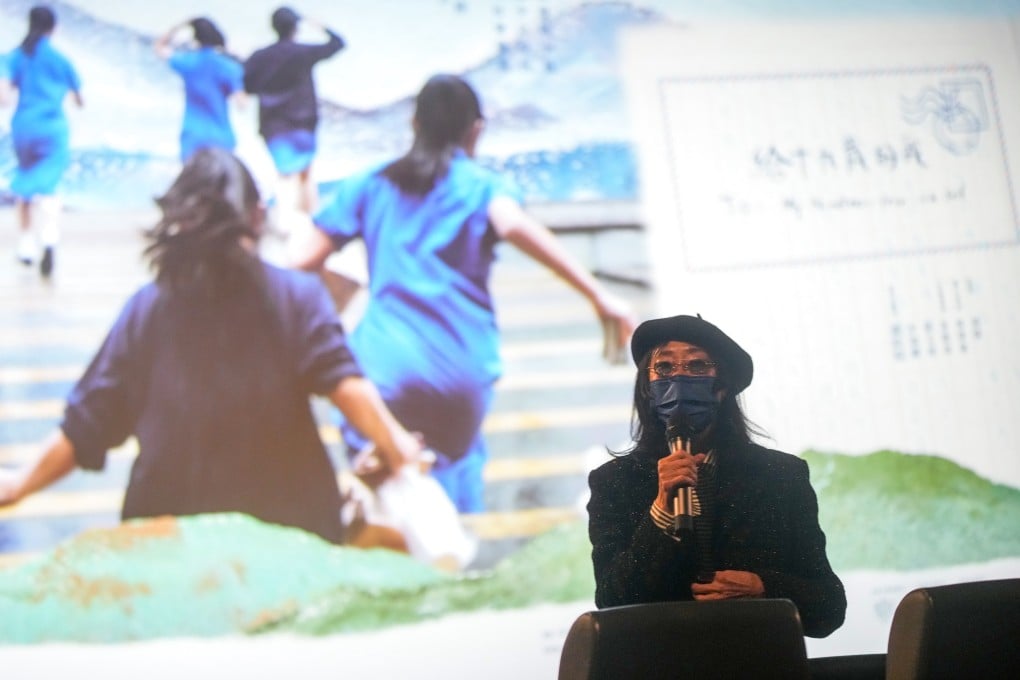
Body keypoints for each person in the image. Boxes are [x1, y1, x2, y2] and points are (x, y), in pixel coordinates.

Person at [0, 148, 424, 547]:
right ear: (257, 217)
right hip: (288, 536)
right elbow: (345, 386)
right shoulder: (296, 298)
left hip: (170, 541)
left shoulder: (148, 310)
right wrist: (397, 449)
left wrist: (19, 485)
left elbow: (88, 424)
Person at [291, 74, 637, 513]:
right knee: (455, 473)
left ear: (414, 124)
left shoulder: (370, 184)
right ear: (476, 129)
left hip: (384, 367)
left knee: (381, 490)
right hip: (460, 371)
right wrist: (597, 294)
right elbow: (512, 224)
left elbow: (300, 262)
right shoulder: (481, 186)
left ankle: (379, 485)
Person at [586, 314, 846, 638]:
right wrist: (661, 513)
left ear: (722, 387)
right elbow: (612, 601)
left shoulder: (782, 476)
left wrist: (766, 588)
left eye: (697, 367)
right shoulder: (615, 482)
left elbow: (829, 607)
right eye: (665, 368)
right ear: (648, 389)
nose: (679, 378)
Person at [243, 6, 344, 265]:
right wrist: (318, 23)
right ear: (294, 27)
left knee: (285, 179)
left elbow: (249, 86)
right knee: (305, 177)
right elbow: (337, 44)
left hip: (275, 125)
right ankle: (309, 239)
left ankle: (292, 241)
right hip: (303, 124)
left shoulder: (261, 56)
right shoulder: (302, 53)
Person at [3, 5, 83, 277]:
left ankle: (26, 245)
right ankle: (49, 239)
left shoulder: (15, 56)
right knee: (49, 186)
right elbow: (80, 98)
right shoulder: (60, 59)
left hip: (24, 124)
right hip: (52, 127)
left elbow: (3, 96)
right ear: (54, 28)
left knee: (24, 180)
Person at [154, 17, 245, 163]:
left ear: (196, 38)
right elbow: (241, 103)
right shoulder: (229, 67)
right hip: (221, 137)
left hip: (192, 137)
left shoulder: (188, 61)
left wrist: (177, 26)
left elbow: (159, 48)